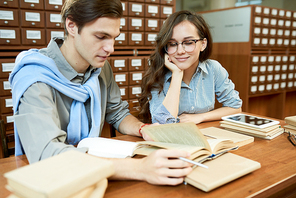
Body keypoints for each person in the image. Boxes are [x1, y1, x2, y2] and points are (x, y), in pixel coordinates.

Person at [9, 0, 193, 185]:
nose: (110, 48)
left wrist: (142, 128)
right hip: (51, 181)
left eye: (114, 37)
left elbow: (117, 113)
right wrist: (139, 168)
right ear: (72, 26)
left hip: (93, 172)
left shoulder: (100, 68)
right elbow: (47, 156)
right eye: (100, 36)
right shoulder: (33, 76)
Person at [139, 10, 242, 124]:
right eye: (172, 44)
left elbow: (235, 108)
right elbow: (163, 124)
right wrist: (177, 75)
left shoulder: (213, 69)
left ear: (203, 44)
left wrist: (201, 117)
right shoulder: (157, 75)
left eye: (188, 42)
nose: (180, 51)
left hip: (205, 135)